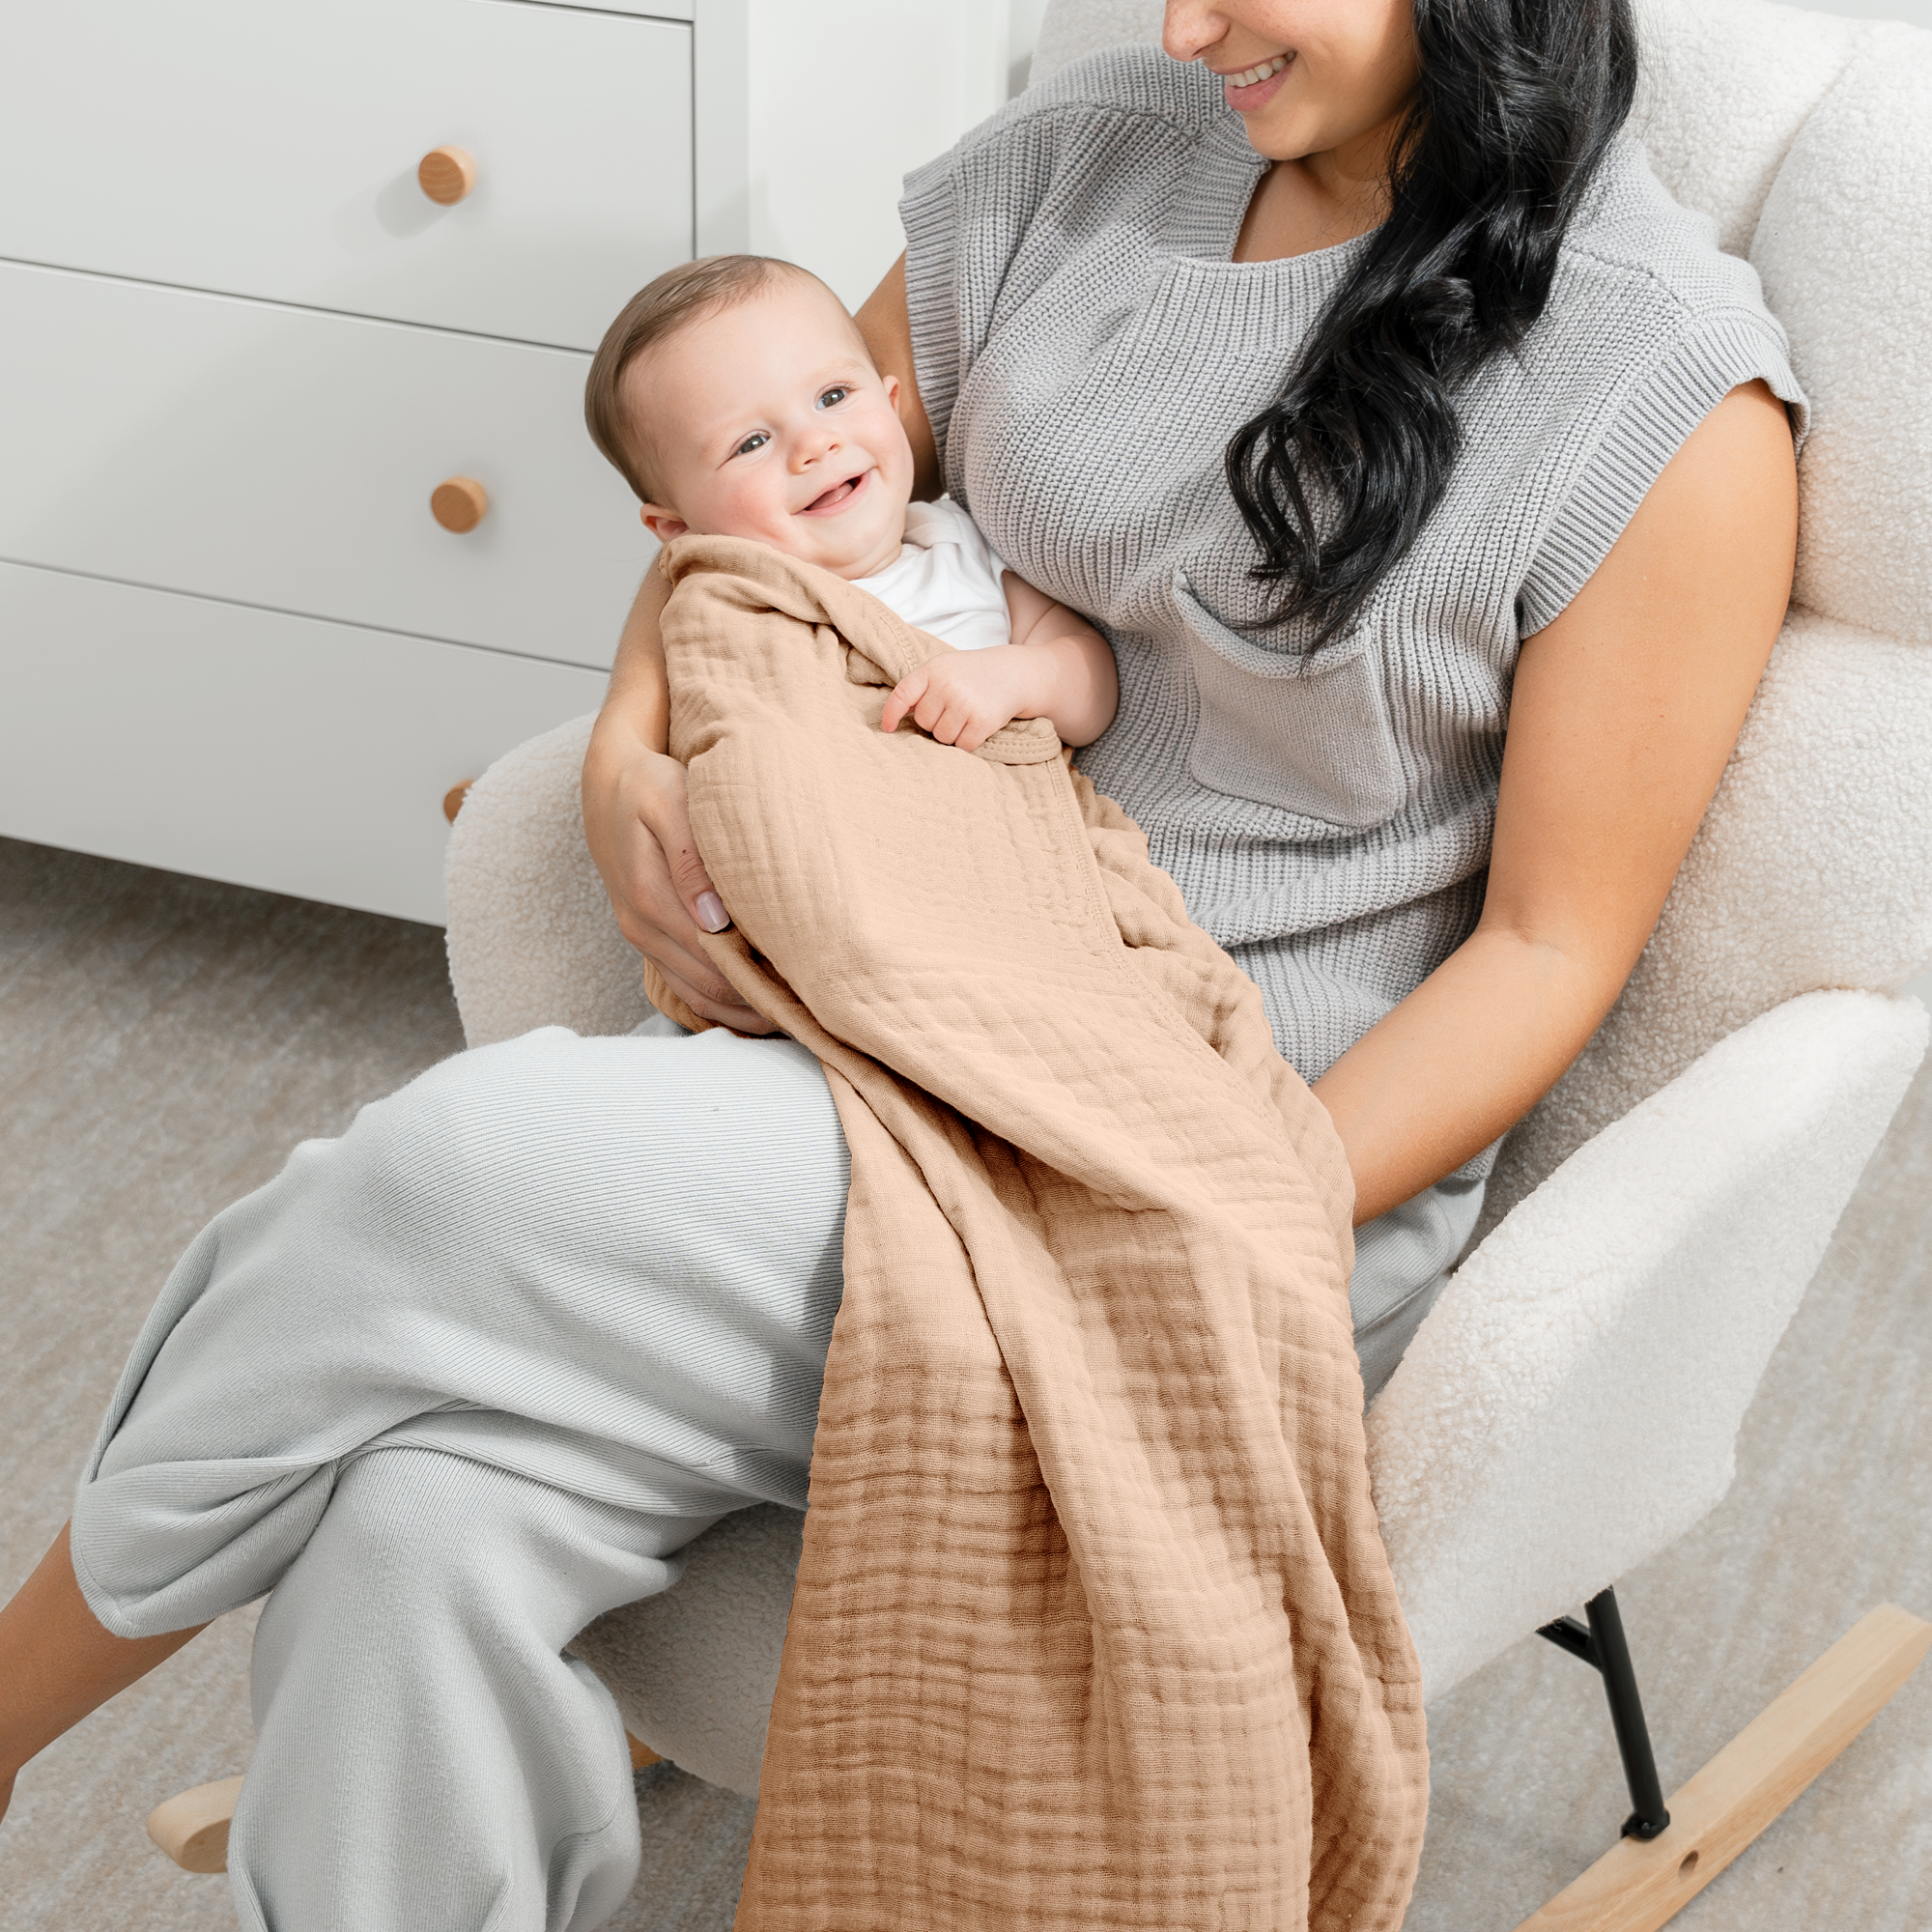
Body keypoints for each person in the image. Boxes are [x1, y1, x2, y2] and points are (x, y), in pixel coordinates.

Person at [0, 3, 1801, 1928]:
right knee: (416, 1524)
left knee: (436, 1191)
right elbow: (762, 465)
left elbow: (1546, 951)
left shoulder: (1662, 398)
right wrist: (625, 746)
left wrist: (1230, 1203)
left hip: (1203, 1132)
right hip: (873, 1007)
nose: (1181, 25)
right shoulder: (1085, 152)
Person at [580, 251, 1118, 753]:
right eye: (751, 443)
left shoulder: (958, 548)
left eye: (832, 397)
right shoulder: (726, 611)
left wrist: (1015, 677)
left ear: (891, 404)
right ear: (677, 529)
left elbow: (1089, 680)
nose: (815, 444)